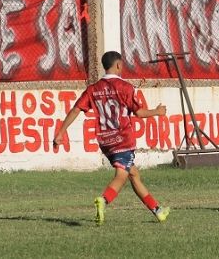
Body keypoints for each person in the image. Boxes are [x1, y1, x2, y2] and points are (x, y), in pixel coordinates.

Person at [52, 51, 171, 225]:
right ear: (118, 65)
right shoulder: (126, 87)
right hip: (123, 138)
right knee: (121, 175)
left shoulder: (93, 89)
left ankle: (158, 211)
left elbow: (76, 109)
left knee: (133, 174)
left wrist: (61, 132)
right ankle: (104, 200)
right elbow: (139, 112)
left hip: (105, 141)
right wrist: (157, 112)